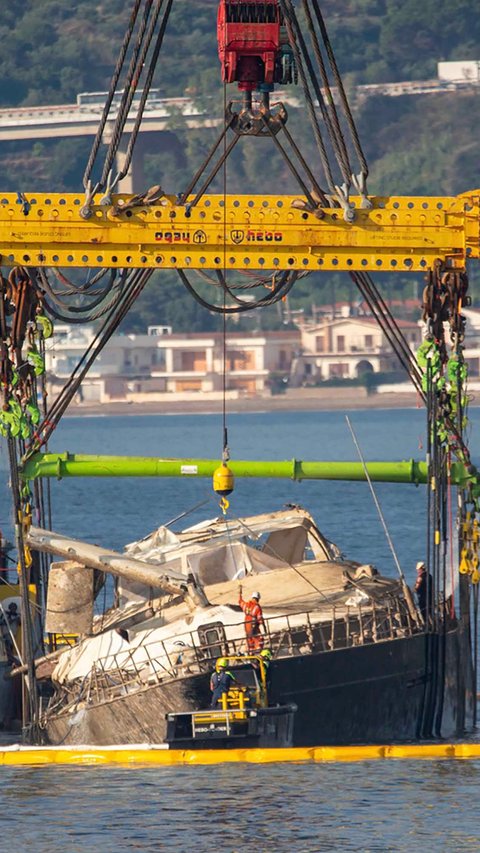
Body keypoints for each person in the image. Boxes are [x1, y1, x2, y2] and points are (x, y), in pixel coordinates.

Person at [238, 587, 265, 652]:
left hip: (246, 625)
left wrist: (240, 593)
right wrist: (264, 626)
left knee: (249, 639)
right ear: (258, 598)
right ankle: (258, 652)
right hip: (253, 625)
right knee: (259, 639)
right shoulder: (257, 607)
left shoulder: (246, 605)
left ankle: (251, 652)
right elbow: (260, 619)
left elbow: (240, 601)